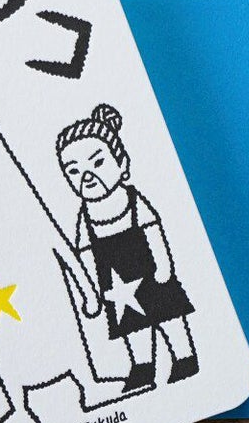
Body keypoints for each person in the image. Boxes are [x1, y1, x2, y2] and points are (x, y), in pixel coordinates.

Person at [56, 104, 199, 392]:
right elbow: (85, 253)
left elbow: (152, 229)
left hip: (151, 273)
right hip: (115, 285)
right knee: (132, 327)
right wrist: (93, 289)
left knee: (169, 316)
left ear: (121, 164)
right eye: (74, 171)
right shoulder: (85, 216)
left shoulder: (132, 201)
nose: (86, 176)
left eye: (97, 163)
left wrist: (163, 266)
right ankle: (143, 366)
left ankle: (184, 357)